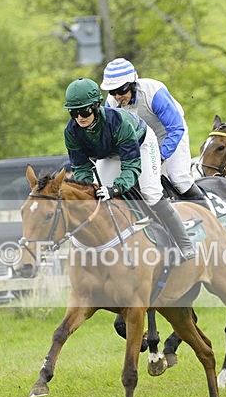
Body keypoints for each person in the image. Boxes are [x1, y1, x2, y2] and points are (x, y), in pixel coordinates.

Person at [63, 77, 196, 260]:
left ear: (95, 106)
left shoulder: (119, 122)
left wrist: (115, 189)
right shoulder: (71, 132)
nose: (79, 118)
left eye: (84, 111)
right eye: (73, 112)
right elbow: (81, 168)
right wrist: (89, 191)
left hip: (141, 144)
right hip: (110, 153)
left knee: (150, 193)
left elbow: (131, 166)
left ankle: (184, 243)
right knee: (97, 194)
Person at [100, 58, 207, 206]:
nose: (117, 96)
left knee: (179, 179)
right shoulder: (111, 103)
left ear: (133, 84)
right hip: (142, 140)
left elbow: (176, 128)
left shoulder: (154, 93)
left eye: (121, 90)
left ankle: (208, 211)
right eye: (112, 91)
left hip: (168, 134)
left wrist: (160, 155)